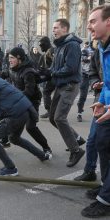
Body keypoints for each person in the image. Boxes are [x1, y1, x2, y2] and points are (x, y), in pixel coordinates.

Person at [81, 5, 110, 218]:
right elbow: (106, 83)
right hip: (107, 105)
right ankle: (106, 188)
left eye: (93, 21)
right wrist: (101, 101)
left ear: (108, 22)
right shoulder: (101, 46)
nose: (89, 26)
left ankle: (106, 200)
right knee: (101, 143)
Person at [49, 18, 85, 167]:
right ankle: (76, 138)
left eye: (56, 28)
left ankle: (76, 150)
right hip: (60, 85)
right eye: (53, 28)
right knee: (52, 117)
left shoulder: (72, 45)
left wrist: (53, 73)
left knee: (59, 118)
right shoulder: (60, 46)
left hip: (70, 85)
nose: (54, 31)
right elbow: (54, 67)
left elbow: (70, 68)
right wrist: (46, 73)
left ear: (65, 29)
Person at [8, 47, 52, 155]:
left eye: (12, 58)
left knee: (30, 127)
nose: (9, 60)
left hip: (32, 102)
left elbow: (29, 92)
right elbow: (3, 76)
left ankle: (46, 148)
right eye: (9, 57)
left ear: (19, 59)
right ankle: (4, 139)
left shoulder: (28, 72)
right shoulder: (13, 69)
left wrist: (14, 97)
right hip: (20, 101)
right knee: (9, 120)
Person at [74, 47, 102, 182]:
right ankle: (90, 171)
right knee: (92, 140)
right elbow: (93, 71)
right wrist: (96, 83)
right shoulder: (99, 50)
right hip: (101, 101)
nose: (89, 27)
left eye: (92, 23)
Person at [38, 36, 55, 119]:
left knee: (46, 91)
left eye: (41, 45)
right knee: (47, 91)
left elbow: (55, 63)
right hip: (51, 75)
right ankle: (51, 111)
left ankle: (51, 111)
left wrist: (47, 71)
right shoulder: (47, 52)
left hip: (54, 76)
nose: (40, 47)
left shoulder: (51, 51)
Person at [76, 41, 93, 122]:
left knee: (99, 95)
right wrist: (89, 57)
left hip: (95, 75)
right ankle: (79, 113)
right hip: (85, 75)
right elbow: (83, 60)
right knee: (83, 95)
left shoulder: (100, 50)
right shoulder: (84, 50)